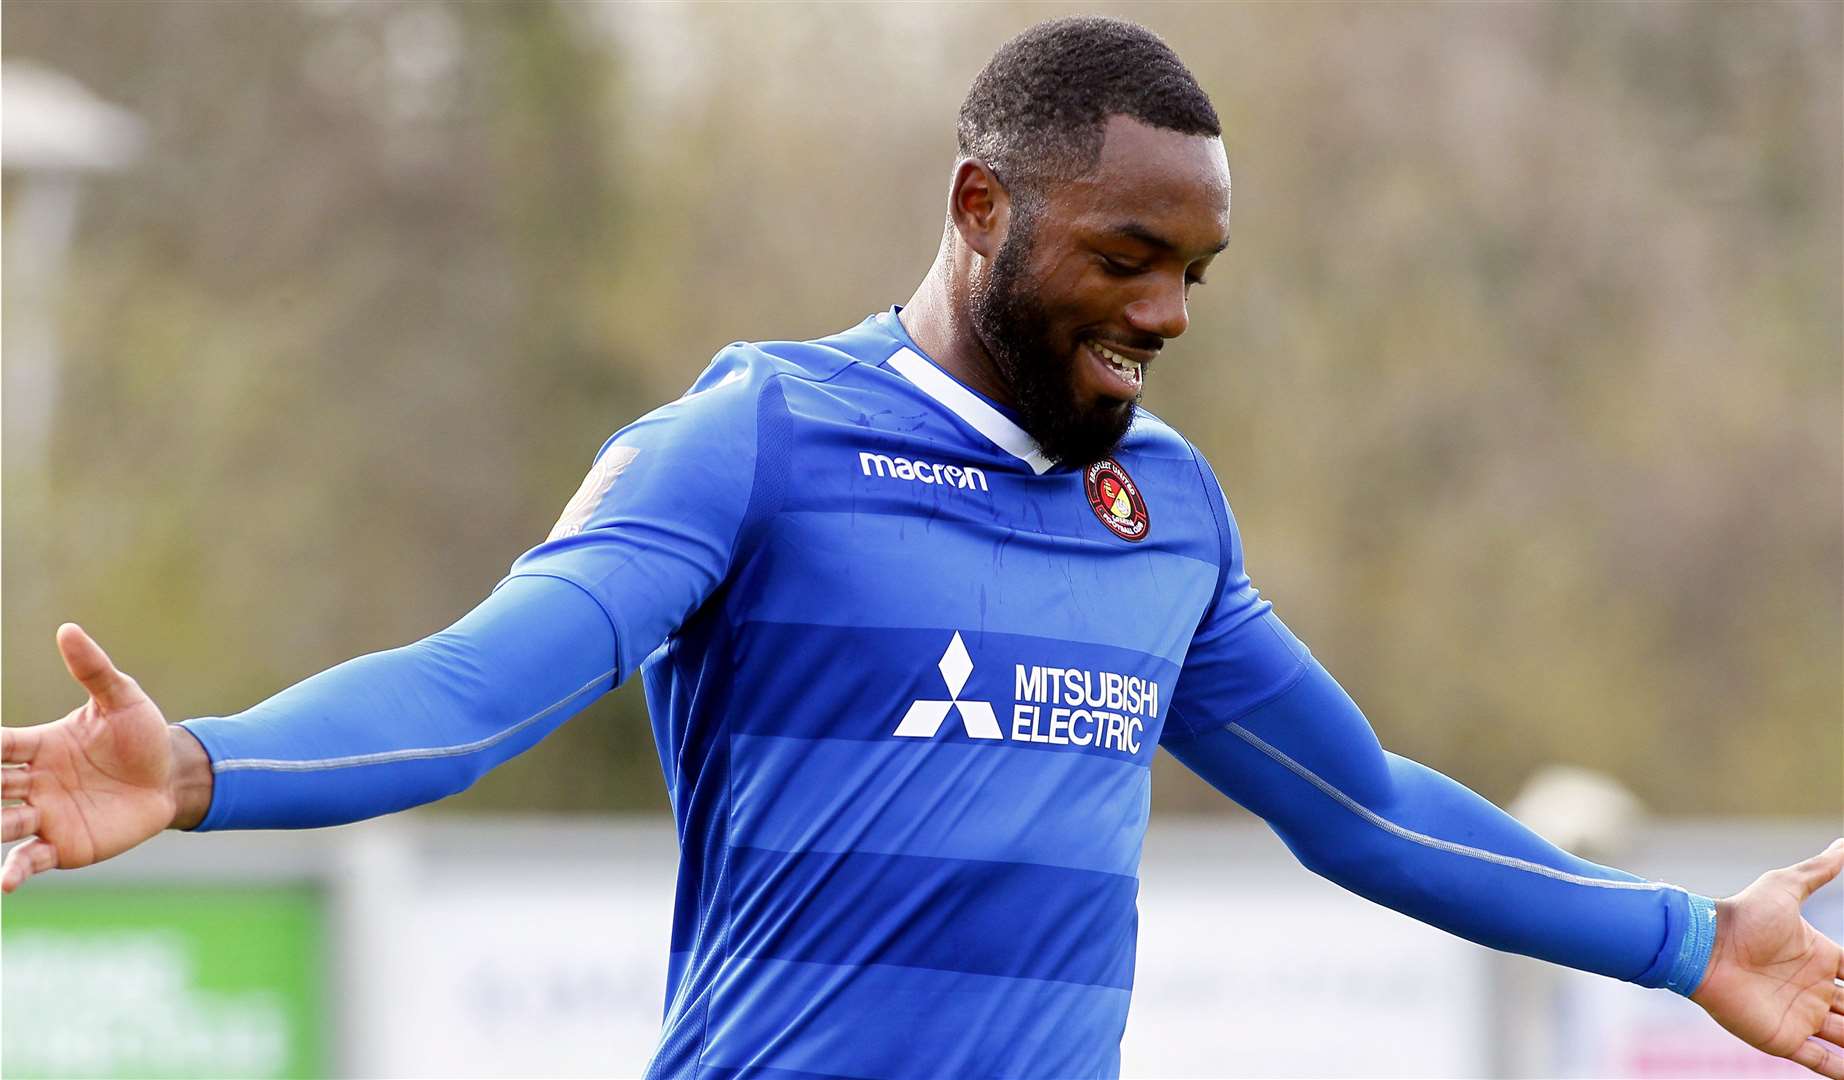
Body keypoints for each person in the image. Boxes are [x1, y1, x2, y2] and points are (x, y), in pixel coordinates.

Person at [3, 16, 1839, 1080]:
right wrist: (201, 772)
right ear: (985, 207)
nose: (1169, 313)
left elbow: (1359, 804)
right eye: (1127, 255)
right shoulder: (756, 441)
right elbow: (486, 686)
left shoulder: (1165, 514)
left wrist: (1688, 942)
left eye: (1194, 274)